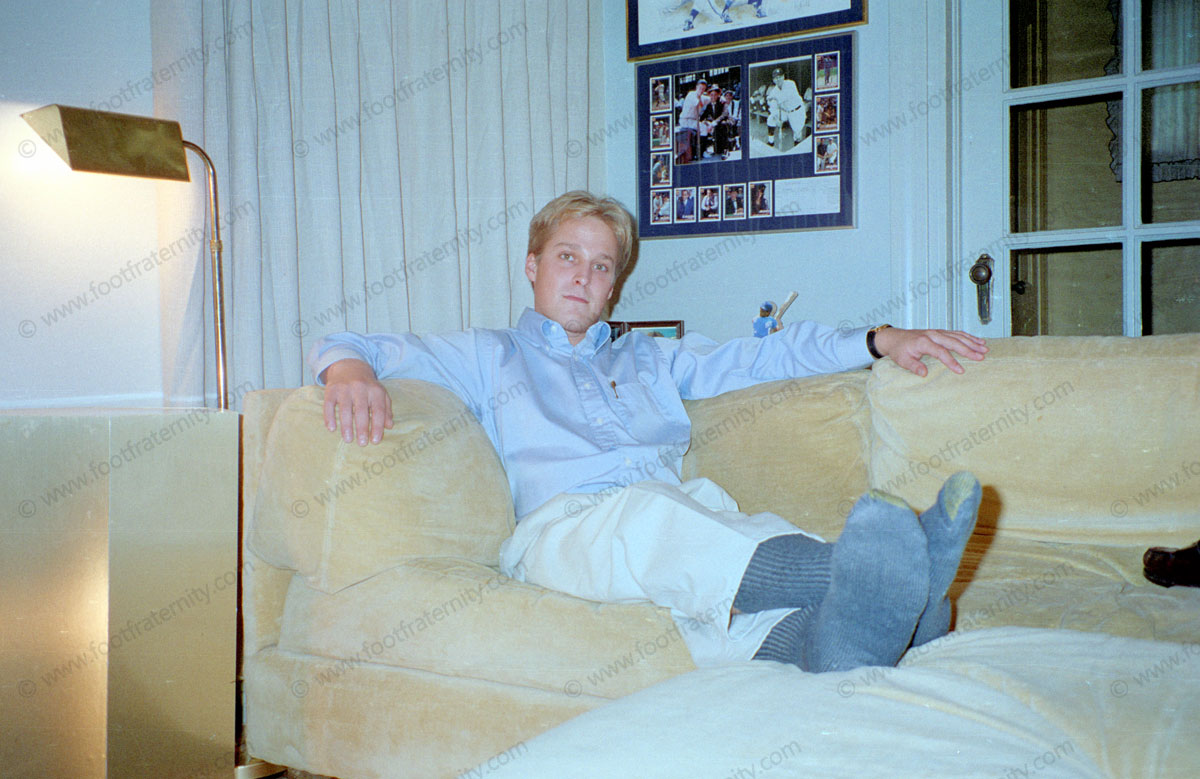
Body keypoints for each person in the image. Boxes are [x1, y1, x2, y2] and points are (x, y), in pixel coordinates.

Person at [310, 191, 989, 673]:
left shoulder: (650, 357)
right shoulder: (489, 354)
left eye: (602, 266)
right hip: (562, 533)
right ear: (532, 265)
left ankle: (876, 630)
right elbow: (352, 342)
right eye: (567, 257)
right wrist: (347, 370)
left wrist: (877, 339)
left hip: (674, 522)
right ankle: (892, 572)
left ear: (614, 286)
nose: (584, 276)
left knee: (716, 572)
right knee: (654, 520)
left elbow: (761, 356)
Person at [765, 67, 807, 150]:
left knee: (797, 134)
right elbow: (771, 104)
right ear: (773, 80)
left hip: (797, 111)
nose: (778, 79)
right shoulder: (774, 90)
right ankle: (770, 142)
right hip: (785, 111)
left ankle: (796, 149)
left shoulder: (790, 84)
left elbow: (783, 97)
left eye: (780, 77)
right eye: (776, 78)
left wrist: (772, 97)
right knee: (771, 119)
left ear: (784, 77)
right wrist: (777, 119)